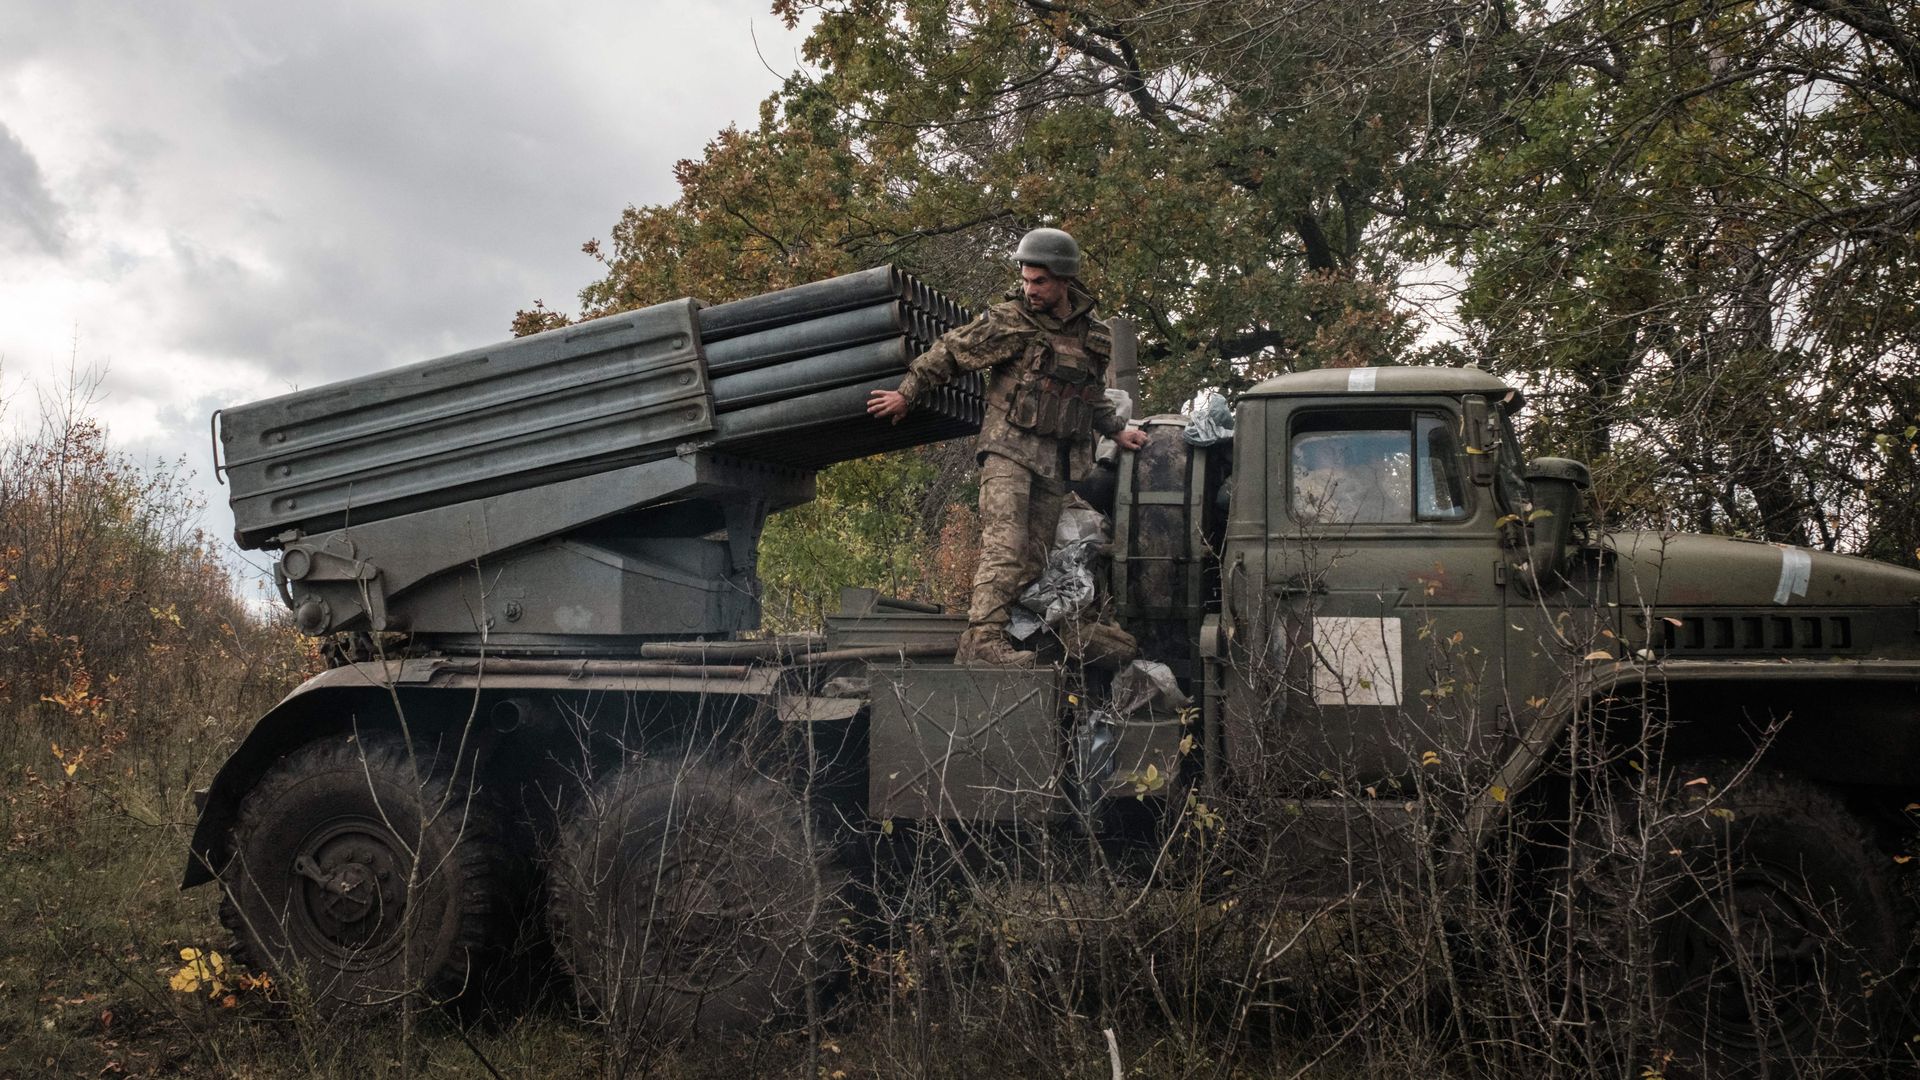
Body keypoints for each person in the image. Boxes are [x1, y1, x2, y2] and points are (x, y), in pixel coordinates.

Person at [867, 228, 1149, 665]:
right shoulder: (1011, 320)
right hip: (1008, 451)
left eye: (1039, 282)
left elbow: (1089, 396)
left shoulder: (1094, 336)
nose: (1029, 289)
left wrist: (1115, 431)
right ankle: (982, 640)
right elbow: (953, 351)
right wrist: (908, 392)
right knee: (1006, 546)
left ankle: (1012, 638)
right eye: (1025, 279)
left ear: (1064, 281)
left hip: (1054, 462)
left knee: (1033, 559)